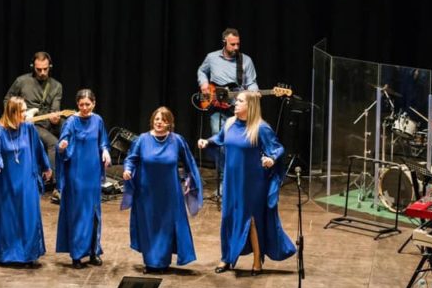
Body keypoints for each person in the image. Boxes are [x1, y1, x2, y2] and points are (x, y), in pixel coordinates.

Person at [197, 91, 296, 275]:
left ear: (249, 106)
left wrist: (271, 160)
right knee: (228, 217)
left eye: (240, 101)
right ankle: (226, 258)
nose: (235, 103)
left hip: (252, 183)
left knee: (251, 220)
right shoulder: (229, 124)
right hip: (232, 181)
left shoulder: (260, 128)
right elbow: (219, 139)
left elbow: (277, 148)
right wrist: (206, 142)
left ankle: (257, 260)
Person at [121, 107, 203, 273]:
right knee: (149, 225)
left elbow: (189, 163)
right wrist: (128, 170)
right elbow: (131, 159)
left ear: (170, 123)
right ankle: (151, 262)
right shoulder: (142, 140)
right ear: (152, 120)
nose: (159, 122)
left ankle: (162, 262)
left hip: (169, 192)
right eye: (157, 119)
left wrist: (190, 178)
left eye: (164, 120)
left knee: (166, 226)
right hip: (146, 193)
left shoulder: (177, 140)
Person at [0, 97, 52, 266]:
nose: (25, 114)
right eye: (22, 111)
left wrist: (46, 167)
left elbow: (38, 148)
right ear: (12, 113)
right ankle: (6, 254)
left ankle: (28, 254)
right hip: (8, 182)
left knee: (28, 217)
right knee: (8, 218)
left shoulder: (28, 128)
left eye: (25, 110)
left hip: (27, 181)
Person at [55, 89, 111, 269]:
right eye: (81, 105)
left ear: (94, 103)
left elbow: (103, 141)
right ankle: (77, 254)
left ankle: (94, 251)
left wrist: (105, 150)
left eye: (88, 104)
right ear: (77, 105)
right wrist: (62, 147)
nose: (85, 108)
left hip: (92, 173)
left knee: (94, 213)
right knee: (78, 213)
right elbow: (62, 143)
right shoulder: (71, 122)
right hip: (76, 173)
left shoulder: (98, 120)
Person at [197, 28, 259, 178]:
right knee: (218, 141)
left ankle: (239, 176)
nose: (236, 47)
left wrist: (254, 92)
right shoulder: (212, 57)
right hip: (216, 107)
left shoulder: (246, 60)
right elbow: (201, 71)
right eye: (232, 44)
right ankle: (224, 178)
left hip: (238, 108)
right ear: (224, 42)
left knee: (240, 142)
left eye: (238, 44)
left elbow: (252, 83)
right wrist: (204, 83)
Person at [4, 51, 63, 200]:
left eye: (45, 69)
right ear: (33, 67)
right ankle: (49, 179)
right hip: (27, 124)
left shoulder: (56, 86)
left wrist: (55, 118)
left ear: (50, 66)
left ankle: (74, 178)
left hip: (47, 123)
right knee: (54, 144)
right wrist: (17, 116)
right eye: (38, 69)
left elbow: (55, 110)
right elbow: (7, 100)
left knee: (71, 129)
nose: (42, 72)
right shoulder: (21, 81)